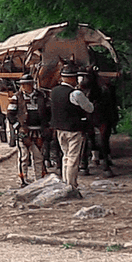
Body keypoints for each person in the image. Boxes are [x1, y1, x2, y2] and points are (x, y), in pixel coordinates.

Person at [49, 65, 94, 196]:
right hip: (74, 129)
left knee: (65, 156)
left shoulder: (54, 91)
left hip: (59, 128)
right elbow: (90, 108)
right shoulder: (76, 93)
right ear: (73, 78)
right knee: (73, 158)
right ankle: (71, 186)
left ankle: (65, 182)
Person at [6, 74, 49, 184]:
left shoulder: (41, 96)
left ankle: (39, 179)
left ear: (32, 85)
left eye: (28, 84)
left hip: (39, 130)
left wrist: (47, 126)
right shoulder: (17, 97)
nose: (26, 86)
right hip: (23, 131)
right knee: (24, 157)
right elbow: (10, 115)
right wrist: (18, 127)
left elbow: (48, 112)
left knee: (39, 157)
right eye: (24, 84)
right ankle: (22, 179)